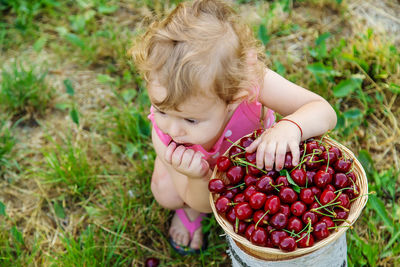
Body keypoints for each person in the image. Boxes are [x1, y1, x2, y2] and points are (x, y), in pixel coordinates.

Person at [129, 0, 337, 255]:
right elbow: (206, 204)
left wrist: (290, 126)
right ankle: (186, 213)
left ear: (234, 99)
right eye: (161, 110)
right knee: (167, 194)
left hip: (254, 162)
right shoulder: (169, 141)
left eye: (190, 120)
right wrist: (196, 177)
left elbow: (323, 110)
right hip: (194, 178)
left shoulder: (248, 83)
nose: (173, 130)